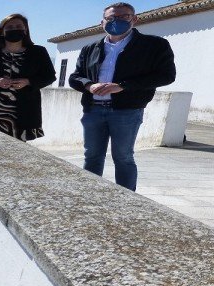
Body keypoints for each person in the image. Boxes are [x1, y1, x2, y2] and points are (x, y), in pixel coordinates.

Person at [69, 2, 175, 191]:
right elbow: (74, 77)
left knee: (123, 157)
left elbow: (166, 75)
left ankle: (127, 201)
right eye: (111, 18)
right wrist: (89, 85)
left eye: (123, 17)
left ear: (134, 19)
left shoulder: (154, 45)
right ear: (102, 22)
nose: (116, 21)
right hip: (93, 110)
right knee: (92, 156)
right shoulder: (90, 48)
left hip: (127, 111)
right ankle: (89, 197)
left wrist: (122, 87)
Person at [0, 13, 56, 141]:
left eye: (19, 26)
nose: (15, 29)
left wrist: (28, 82)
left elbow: (49, 76)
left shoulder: (38, 52)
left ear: (25, 30)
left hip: (22, 116)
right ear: (2, 32)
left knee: (15, 154)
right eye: (10, 26)